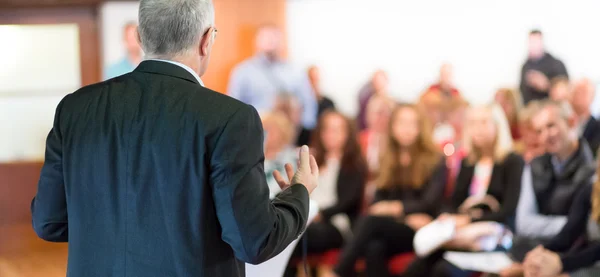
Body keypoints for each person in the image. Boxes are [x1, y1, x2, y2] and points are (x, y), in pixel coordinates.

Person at [30, 1, 319, 276]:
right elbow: (254, 241)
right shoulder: (230, 118)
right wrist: (298, 194)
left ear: (140, 38)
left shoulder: (76, 108)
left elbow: (48, 222)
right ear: (207, 39)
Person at [403, 104, 524, 277]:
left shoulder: (512, 161)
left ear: (497, 126)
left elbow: (508, 210)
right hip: (462, 234)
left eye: (484, 123)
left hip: (493, 237)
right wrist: (448, 216)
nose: (478, 129)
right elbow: (453, 202)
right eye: (473, 123)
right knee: (416, 267)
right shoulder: (468, 162)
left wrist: (468, 218)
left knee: (442, 271)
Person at [332, 103, 448, 277]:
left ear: (420, 127)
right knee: (374, 248)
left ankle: (338, 271)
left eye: (412, 124)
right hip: (398, 225)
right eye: (401, 123)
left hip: (423, 229)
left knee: (370, 221)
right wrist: (402, 215)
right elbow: (378, 201)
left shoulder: (435, 159)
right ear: (393, 127)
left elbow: (429, 203)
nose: (406, 129)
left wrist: (394, 208)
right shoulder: (388, 157)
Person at [500, 101, 595, 277]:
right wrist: (536, 257)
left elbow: (583, 230)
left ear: (571, 122)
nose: (546, 135)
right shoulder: (535, 166)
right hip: (541, 249)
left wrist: (560, 263)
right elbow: (526, 223)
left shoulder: (591, 172)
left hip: (577, 254)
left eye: (551, 126)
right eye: (539, 131)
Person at [284, 111, 368, 277]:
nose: (331, 135)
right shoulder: (312, 161)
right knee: (284, 232)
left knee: (296, 237)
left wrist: (319, 214)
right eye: (327, 130)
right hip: (307, 219)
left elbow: (347, 202)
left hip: (336, 223)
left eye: (337, 130)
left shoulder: (354, 164)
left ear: (347, 134)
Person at [228, 24, 317, 131]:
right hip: (254, 133)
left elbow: (308, 104)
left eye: (274, 37)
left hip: (289, 135)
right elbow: (233, 108)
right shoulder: (242, 72)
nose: (271, 42)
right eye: (266, 37)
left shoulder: (296, 72)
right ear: (256, 41)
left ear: (282, 42)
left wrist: (304, 132)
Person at [522, 156, 600, 277]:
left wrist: (561, 264)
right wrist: (539, 253)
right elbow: (568, 234)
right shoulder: (590, 189)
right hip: (588, 261)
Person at [519, 30, 569, 104]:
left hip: (552, 108)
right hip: (530, 109)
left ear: (542, 42)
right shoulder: (525, 67)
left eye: (536, 42)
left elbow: (564, 91)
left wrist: (546, 85)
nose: (533, 45)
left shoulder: (556, 64)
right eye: (531, 42)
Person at [261, 112, 298, 198]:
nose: (266, 132)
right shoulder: (254, 154)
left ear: (283, 133)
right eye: (264, 128)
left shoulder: (290, 158)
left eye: (271, 129)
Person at [359, 95, 395, 176]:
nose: (383, 118)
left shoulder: (397, 142)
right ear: (368, 115)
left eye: (387, 114)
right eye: (379, 113)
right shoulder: (359, 140)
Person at [570, 78, 600, 156]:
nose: (578, 95)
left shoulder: (597, 127)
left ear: (592, 97)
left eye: (583, 92)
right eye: (575, 92)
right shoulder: (565, 122)